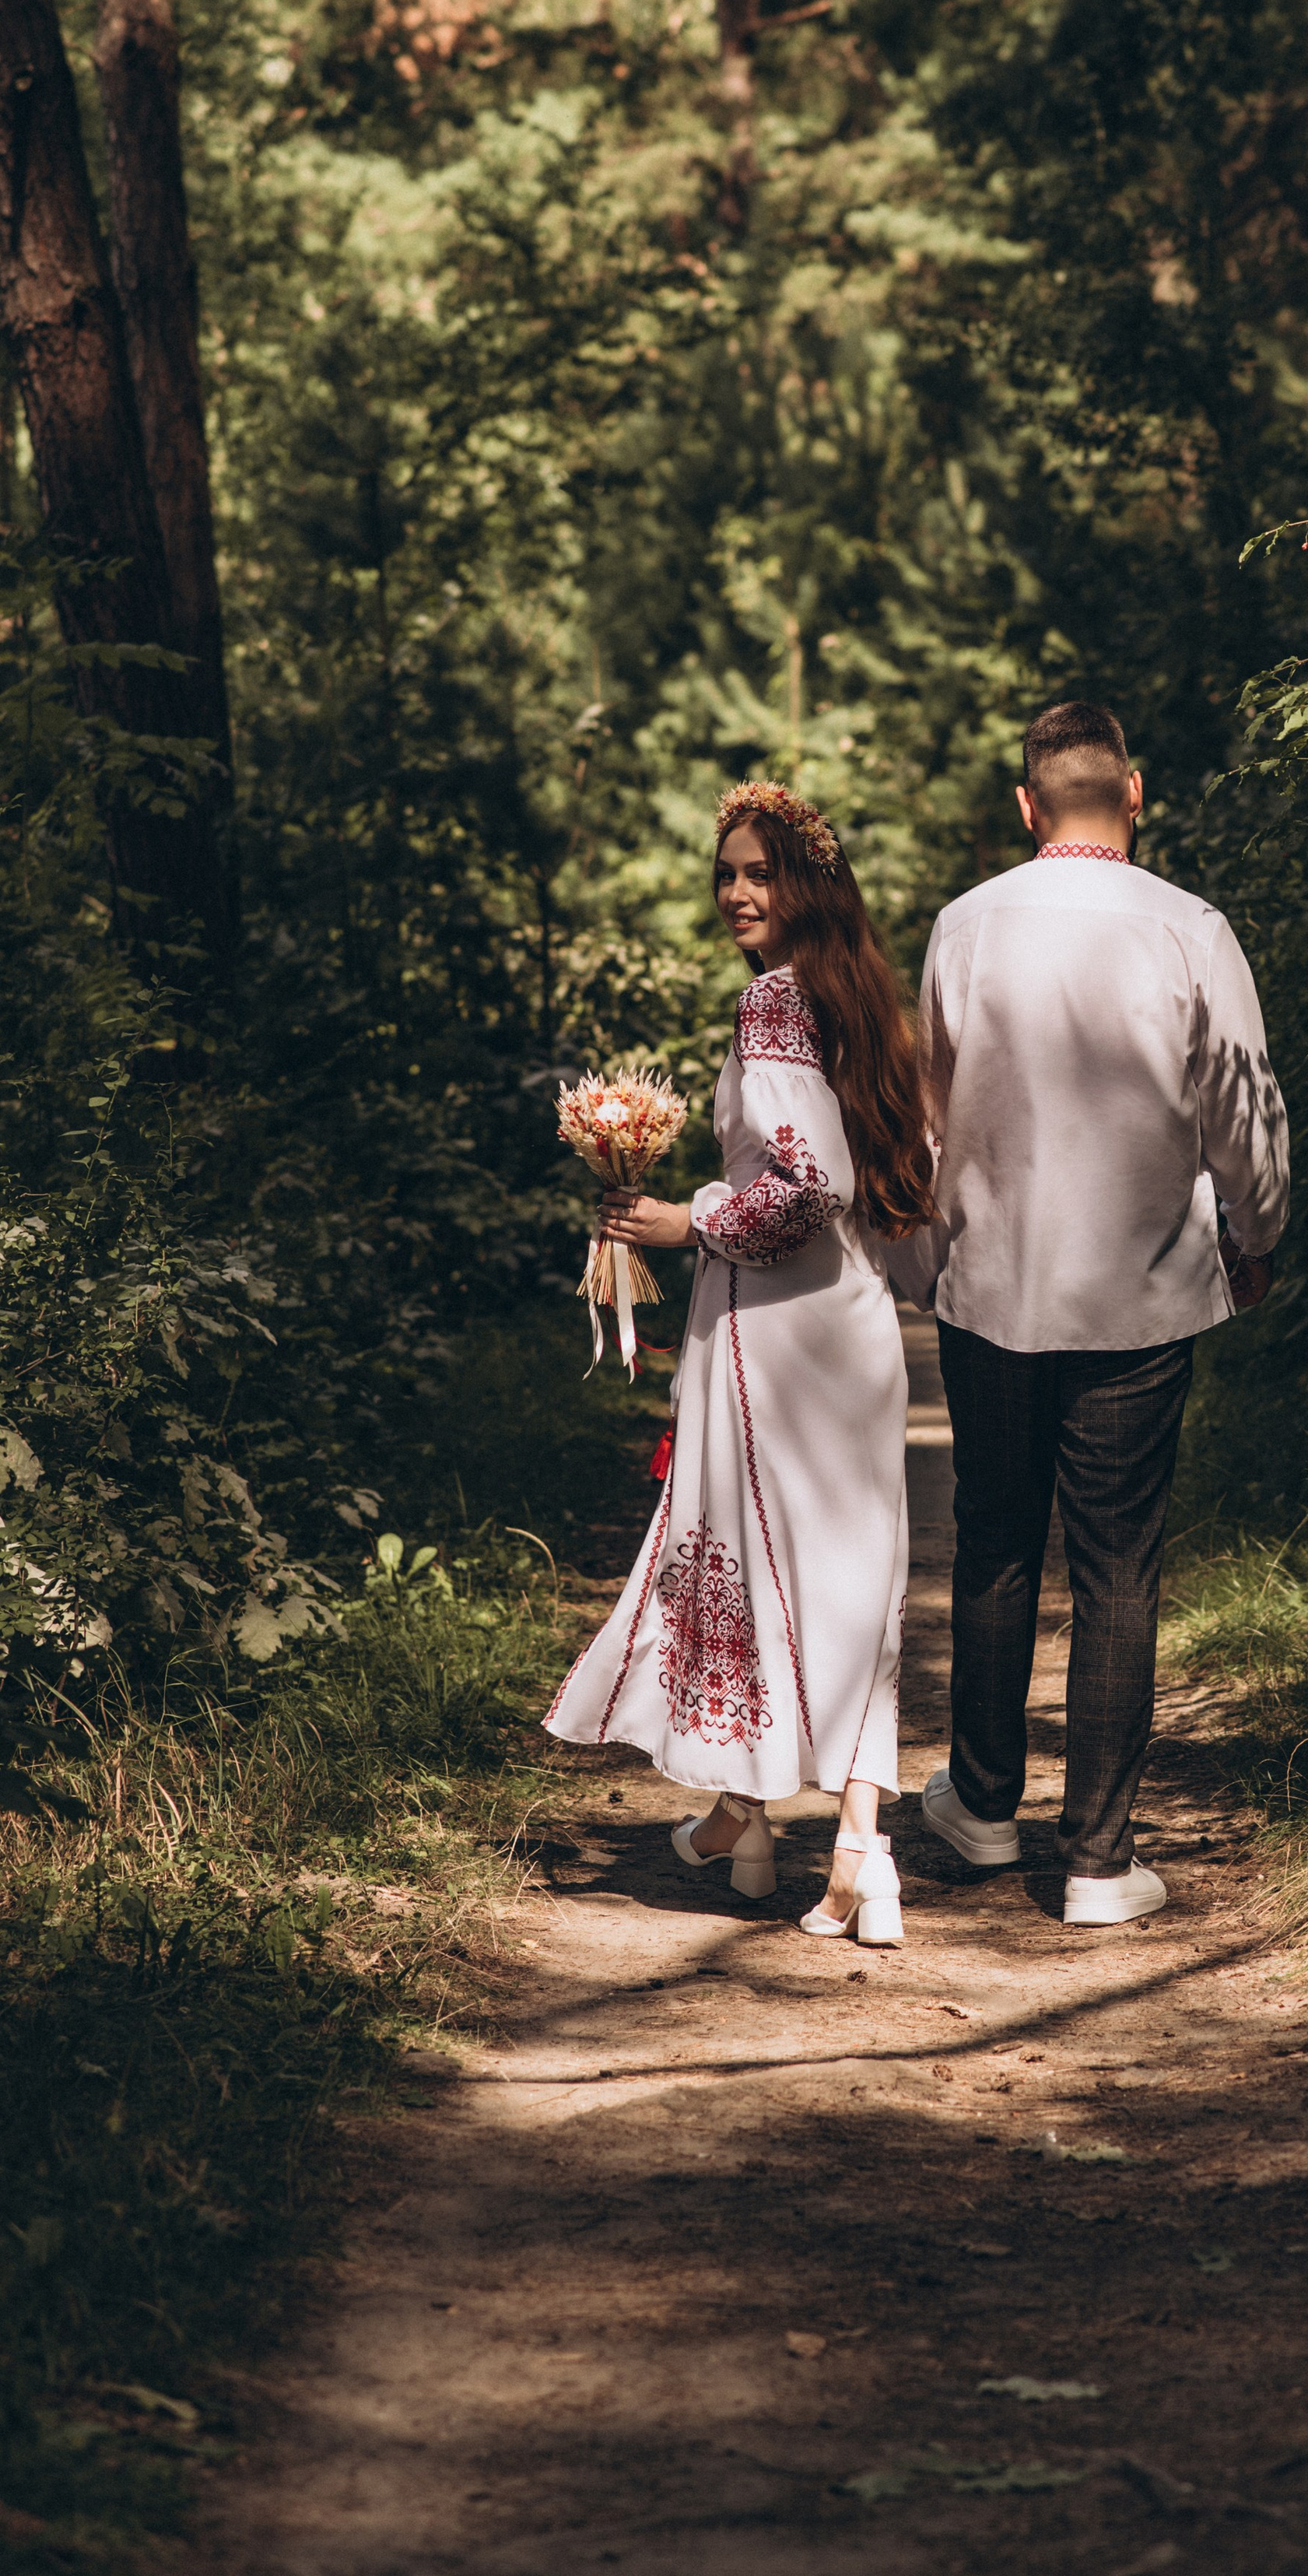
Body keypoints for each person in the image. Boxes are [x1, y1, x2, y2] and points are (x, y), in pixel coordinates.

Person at [916, 700, 1289, 1925]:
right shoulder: (1190, 929)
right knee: (1119, 1570)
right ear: (1136, 792)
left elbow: (928, 1118)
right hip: (1138, 1294)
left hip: (992, 1287)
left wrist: (927, 1256)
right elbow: (1241, 1109)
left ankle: (977, 1810)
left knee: (997, 1543)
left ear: (1025, 807)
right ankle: (1095, 1863)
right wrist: (1256, 1231)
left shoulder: (963, 929)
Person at [543, 783, 935, 1950]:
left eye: (758, 872)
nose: (736, 894)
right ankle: (837, 1836)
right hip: (852, 1332)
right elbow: (890, 1171)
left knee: (759, 1570)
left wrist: (691, 1218)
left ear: (805, 882)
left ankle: (748, 1814)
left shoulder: (773, 1004)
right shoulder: (858, 997)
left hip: (775, 1334)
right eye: (726, 873)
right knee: (856, 1582)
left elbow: (808, 1185)